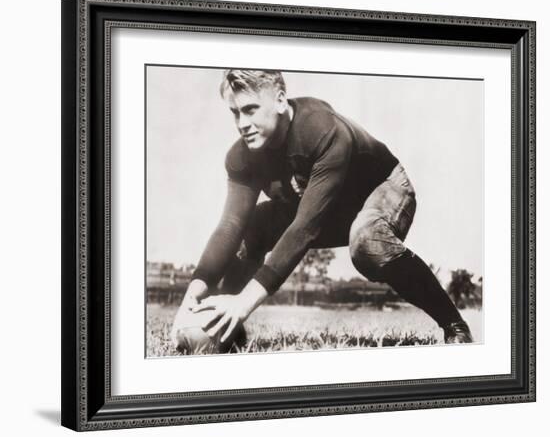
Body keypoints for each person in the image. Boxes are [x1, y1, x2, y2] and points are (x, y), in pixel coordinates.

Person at [171, 69, 473, 353]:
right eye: (235, 112)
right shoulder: (241, 156)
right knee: (250, 230)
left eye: (250, 109)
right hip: (322, 209)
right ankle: (227, 333)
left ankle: (454, 325)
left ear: (279, 100)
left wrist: (244, 302)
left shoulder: (321, 128)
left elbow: (304, 228)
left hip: (379, 189)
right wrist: (192, 296)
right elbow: (229, 226)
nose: (242, 123)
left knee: (367, 242)